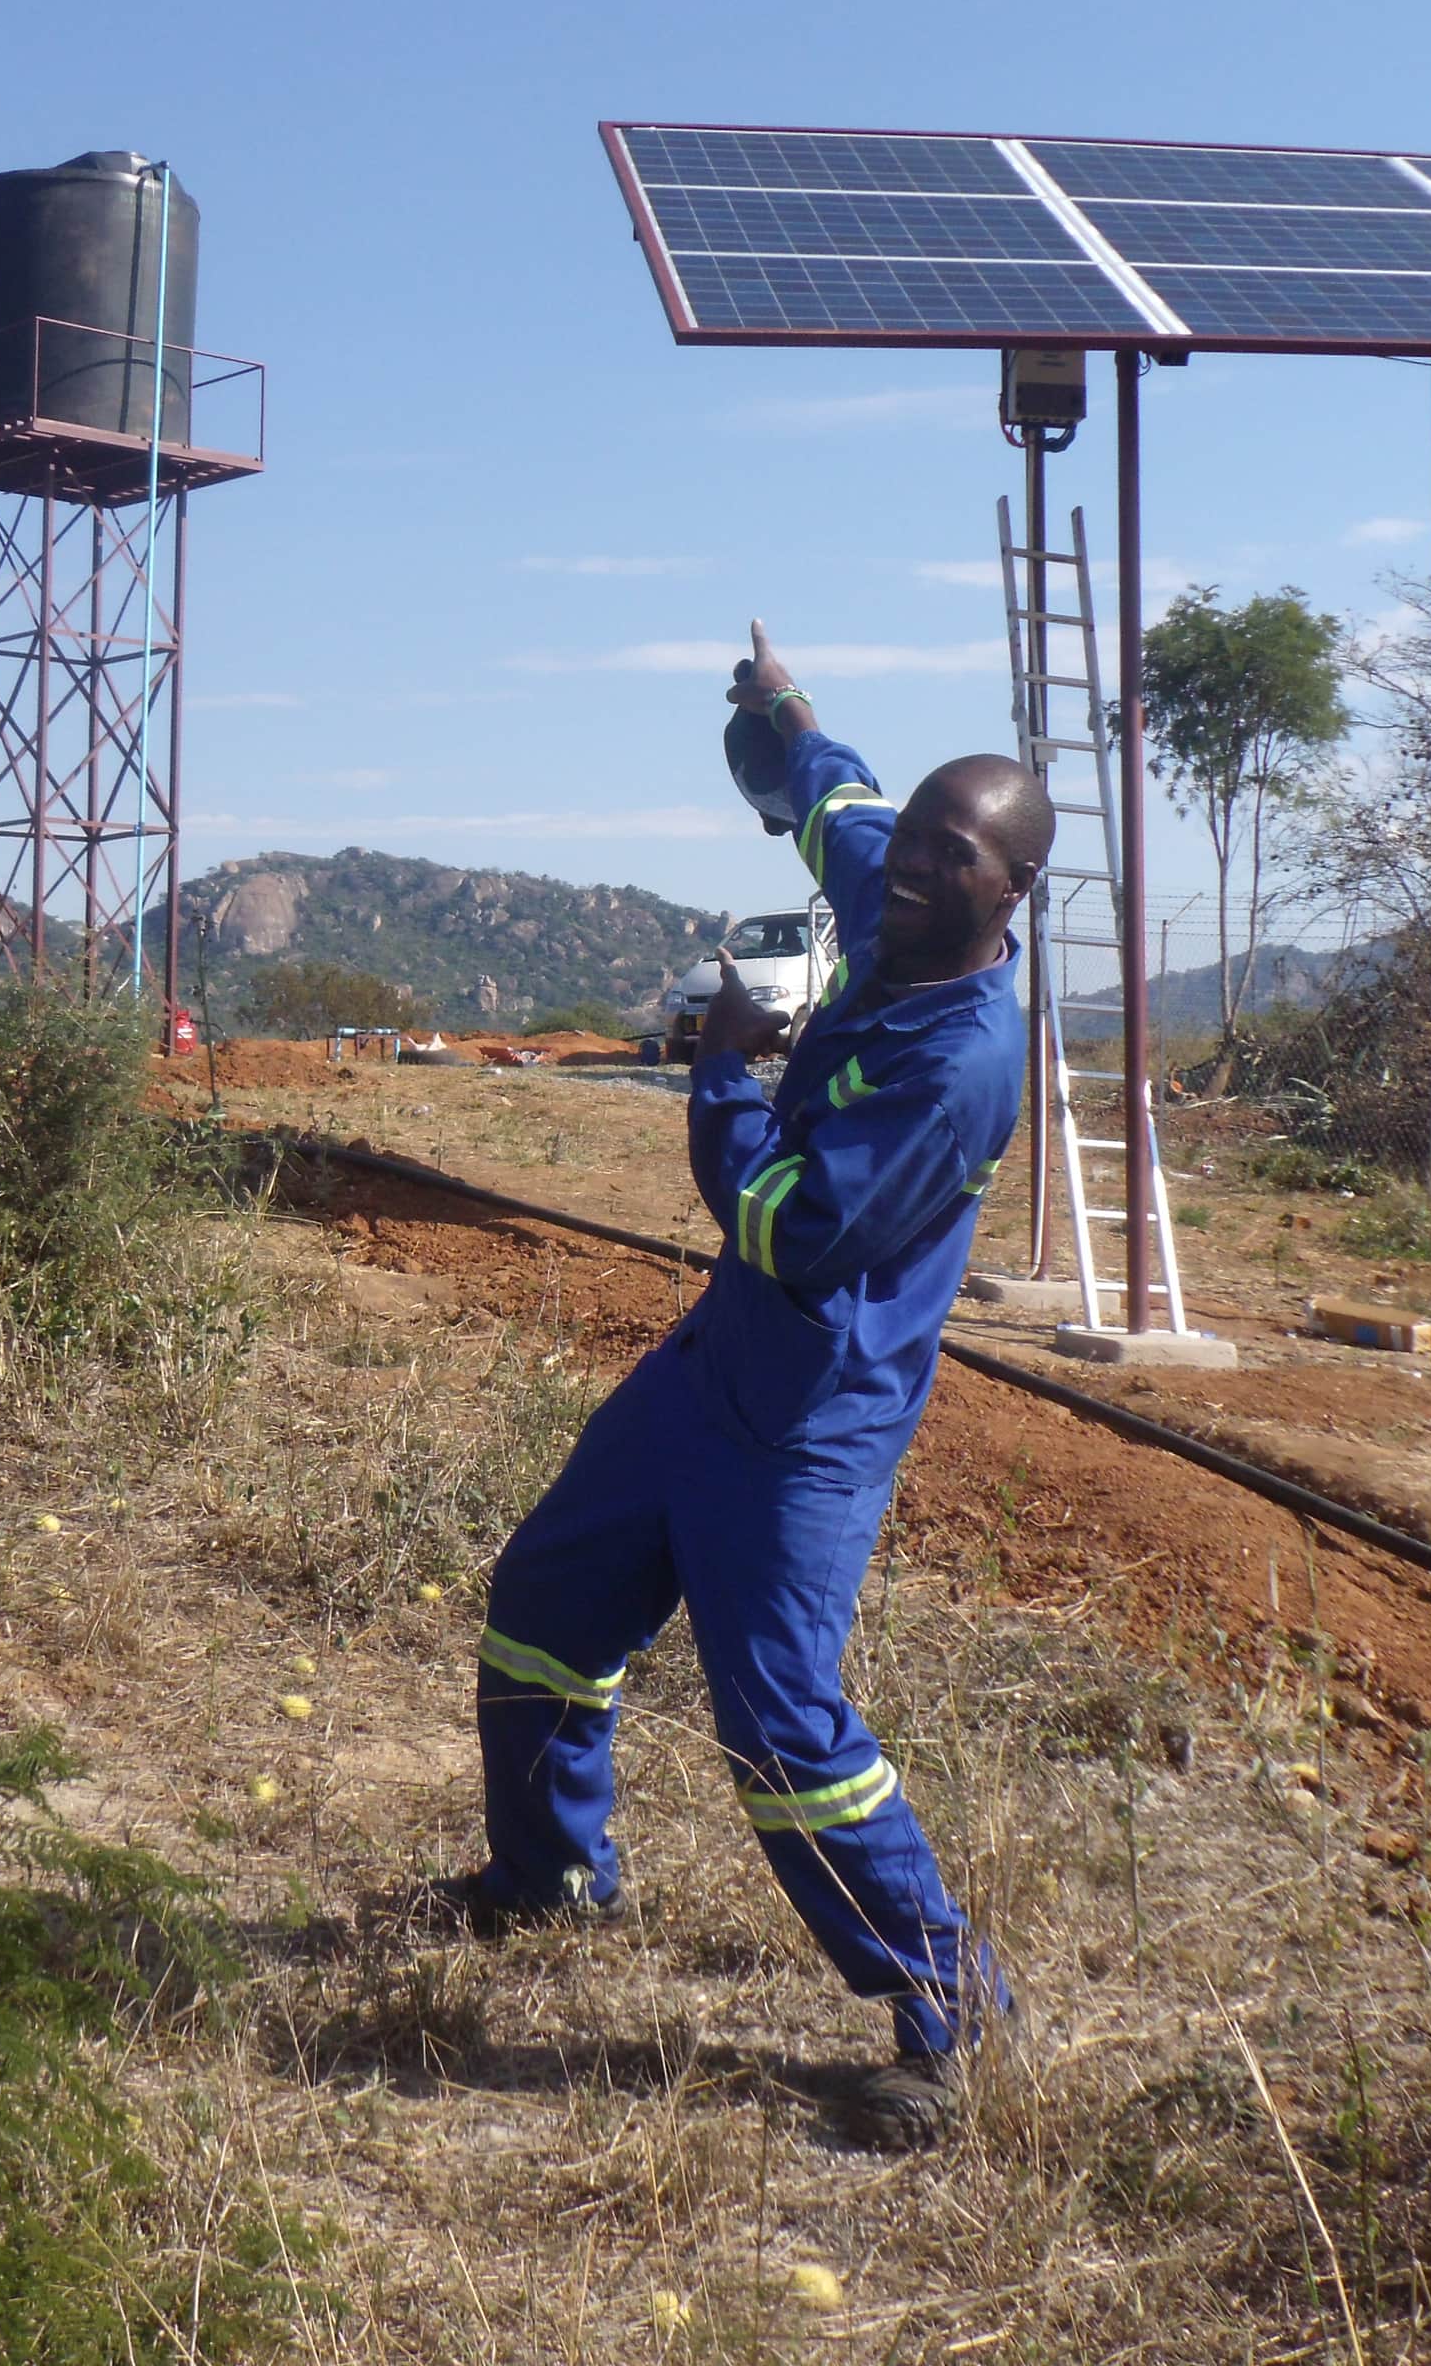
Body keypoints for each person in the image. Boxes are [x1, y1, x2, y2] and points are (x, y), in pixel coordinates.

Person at [428, 620, 1052, 2150]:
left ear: (1011, 892)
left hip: (805, 1421)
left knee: (780, 1724)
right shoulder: (890, 891)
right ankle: (548, 1882)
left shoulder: (959, 1062)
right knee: (546, 1604)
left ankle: (957, 2019)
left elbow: (786, 1229)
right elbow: (835, 798)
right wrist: (785, 716)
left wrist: (724, 1064)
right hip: (711, 1374)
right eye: (912, 842)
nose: (910, 868)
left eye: (950, 856)